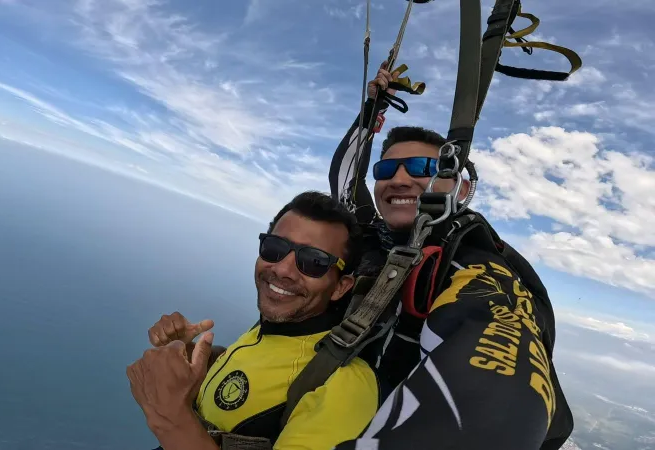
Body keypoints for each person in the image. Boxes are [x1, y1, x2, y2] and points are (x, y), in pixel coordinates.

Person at [325, 63, 574, 450]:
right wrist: (371, 112)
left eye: (423, 168)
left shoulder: (475, 268)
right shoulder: (373, 233)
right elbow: (345, 178)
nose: (399, 179)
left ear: (461, 189)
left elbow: (498, 388)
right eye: (387, 169)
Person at [126, 191, 380, 450]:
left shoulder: (346, 385)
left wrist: (168, 417)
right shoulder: (270, 329)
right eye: (275, 248)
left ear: (340, 287)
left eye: (314, 262)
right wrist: (189, 355)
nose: (282, 269)